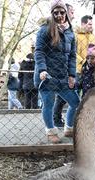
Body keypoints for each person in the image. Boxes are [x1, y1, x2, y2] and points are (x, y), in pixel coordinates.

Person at [34, 0, 80, 144]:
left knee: (75, 102)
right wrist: (42, 69)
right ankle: (51, 131)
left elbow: (72, 56)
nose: (59, 15)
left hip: (62, 76)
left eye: (62, 12)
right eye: (56, 13)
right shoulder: (45, 30)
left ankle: (69, 127)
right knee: (48, 103)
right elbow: (39, 51)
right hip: (46, 76)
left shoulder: (71, 33)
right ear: (52, 14)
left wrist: (72, 75)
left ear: (66, 13)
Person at [52, 1, 76, 127]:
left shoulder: (70, 31)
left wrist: (71, 73)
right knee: (58, 98)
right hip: (56, 72)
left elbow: (72, 53)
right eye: (72, 12)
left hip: (69, 70)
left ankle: (66, 123)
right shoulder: (53, 30)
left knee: (69, 98)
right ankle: (56, 120)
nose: (73, 15)